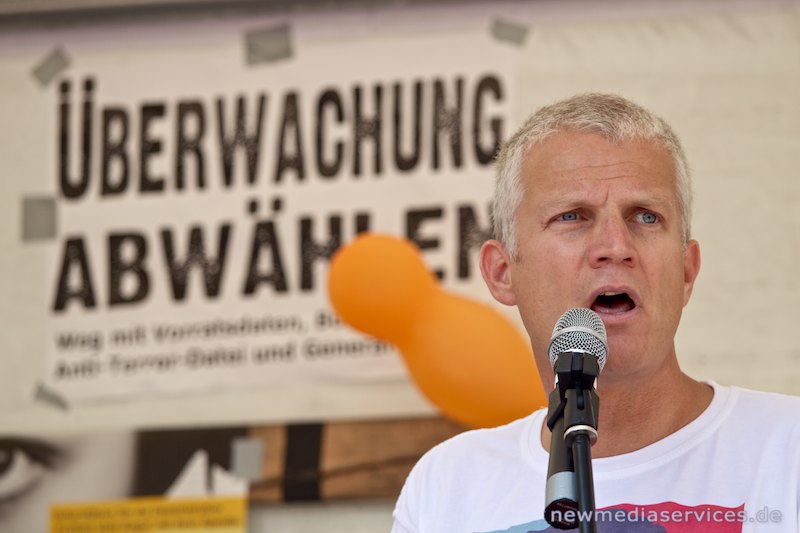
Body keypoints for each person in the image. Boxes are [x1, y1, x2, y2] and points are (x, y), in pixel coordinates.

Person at [391, 93, 800, 532]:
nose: (615, 248)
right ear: (502, 272)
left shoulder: (786, 450)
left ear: (686, 270)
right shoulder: (448, 486)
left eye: (645, 217)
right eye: (572, 216)